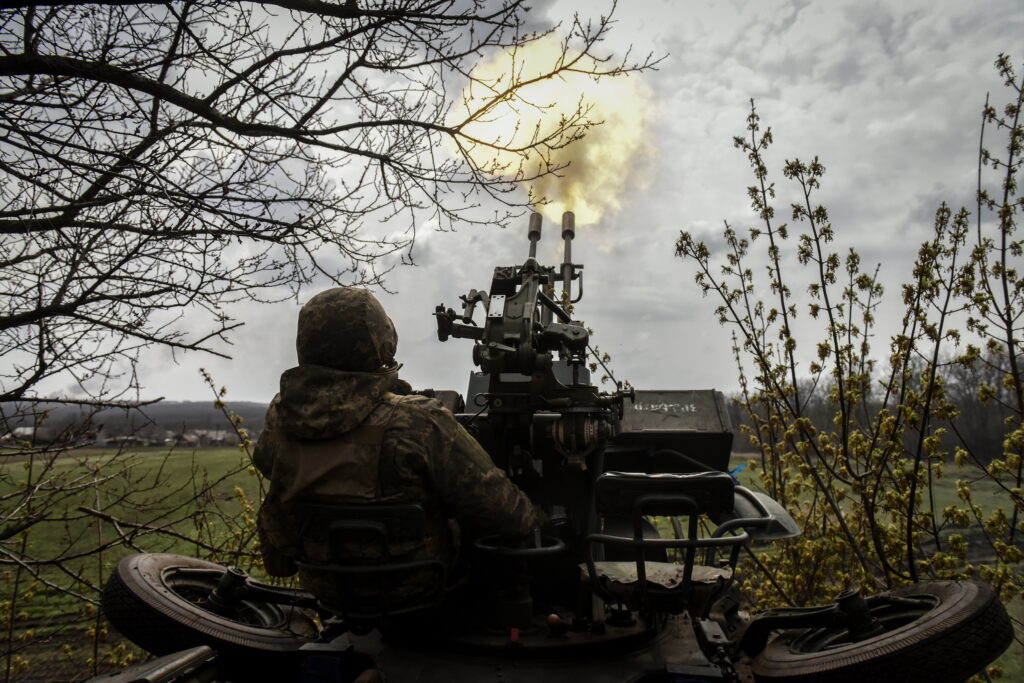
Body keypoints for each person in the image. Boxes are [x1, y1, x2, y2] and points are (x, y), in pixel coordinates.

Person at [254, 287, 542, 610]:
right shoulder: (417, 420)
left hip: (328, 586)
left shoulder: (281, 417)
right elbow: (504, 510)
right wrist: (537, 518)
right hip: (417, 590)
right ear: (381, 342)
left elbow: (269, 464)